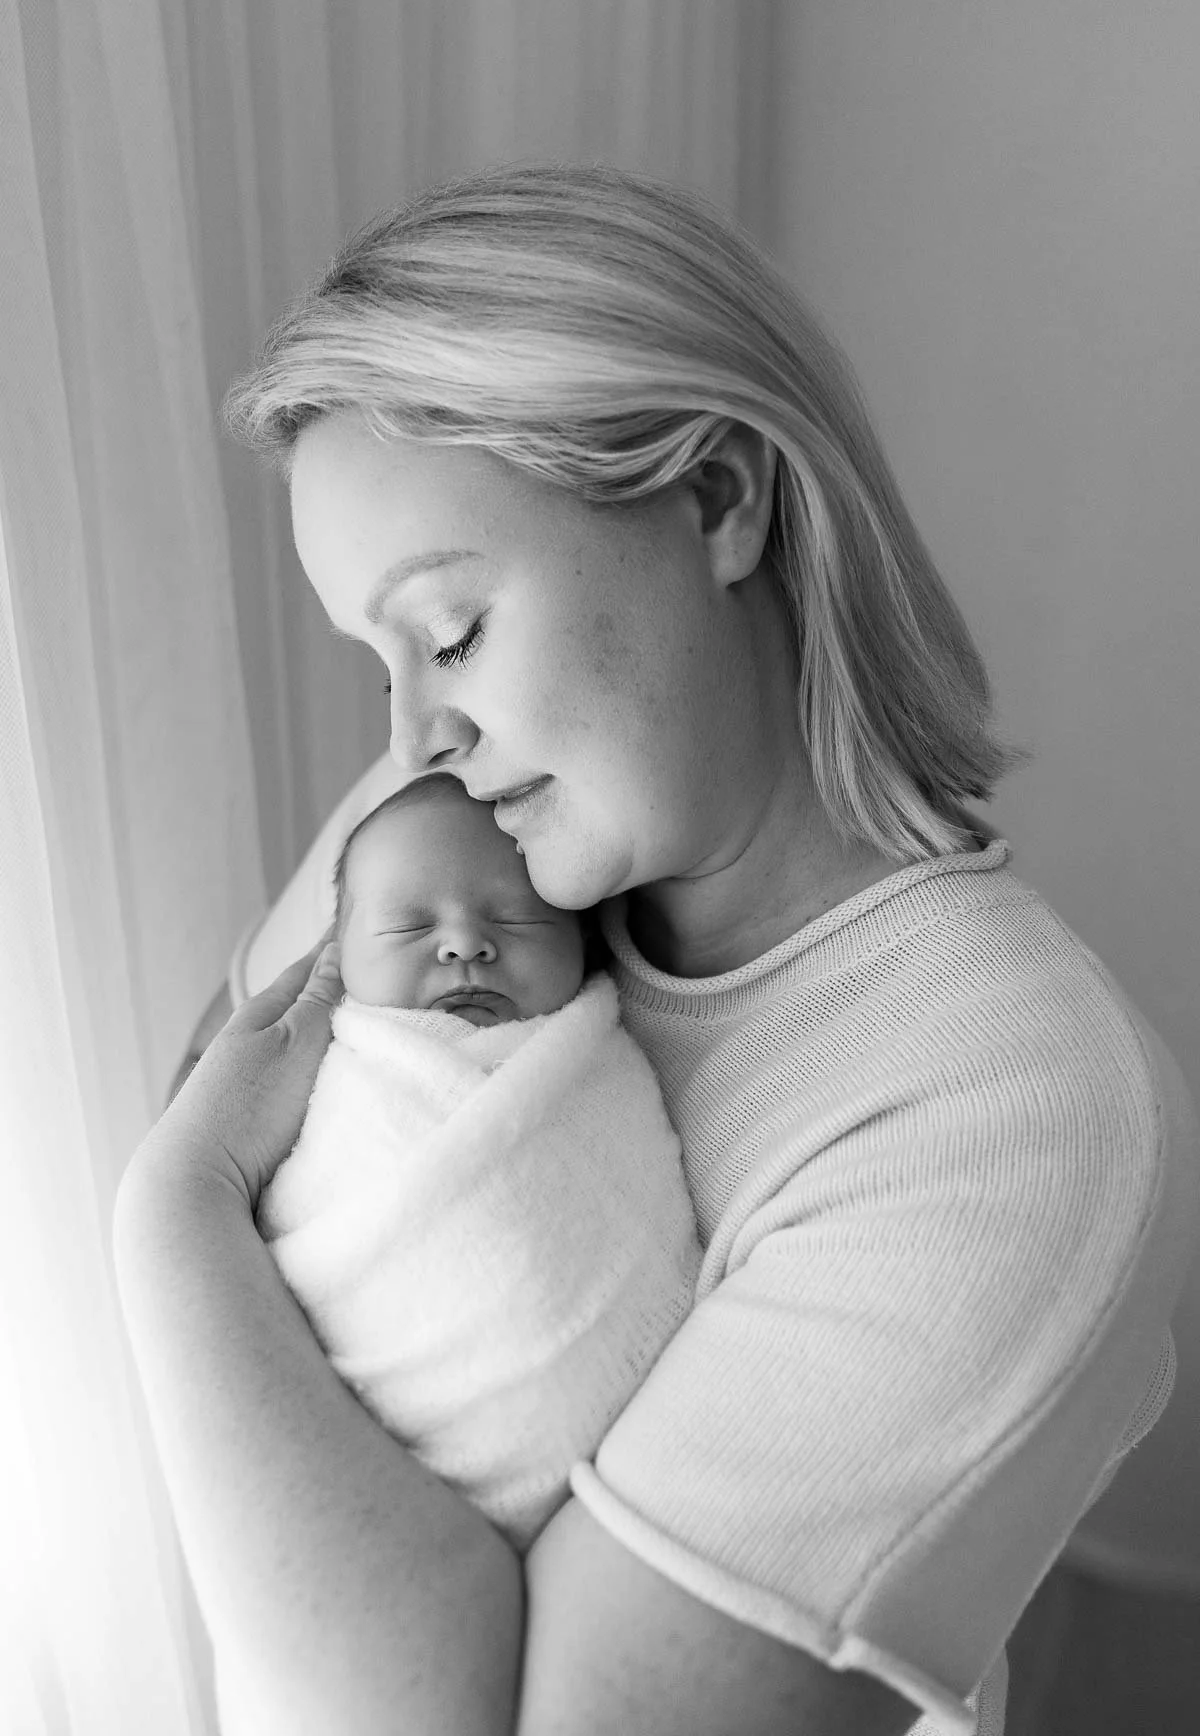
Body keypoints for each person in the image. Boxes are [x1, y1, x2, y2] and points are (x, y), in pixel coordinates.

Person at [113, 160, 1200, 1736]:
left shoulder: (1010, 1111)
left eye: (455, 629)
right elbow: (207, 1095)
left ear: (719, 498)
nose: (420, 730)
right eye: (382, 666)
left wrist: (167, 1224)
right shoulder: (470, 815)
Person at [254, 772, 701, 1560]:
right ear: (335, 962)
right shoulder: (339, 1074)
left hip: (618, 1514)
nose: (464, 944)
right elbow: (289, 1229)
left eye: (517, 917)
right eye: (406, 927)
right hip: (391, 1489)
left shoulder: (598, 1064)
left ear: (587, 940)